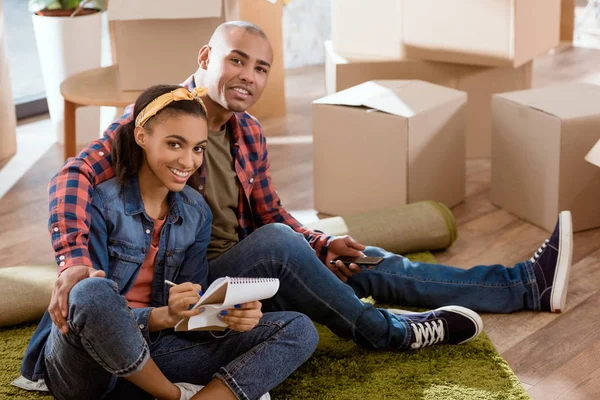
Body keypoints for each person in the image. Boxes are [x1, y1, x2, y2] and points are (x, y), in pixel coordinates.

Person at [23, 20, 573, 376]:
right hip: (186, 275)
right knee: (290, 248)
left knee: (355, 261)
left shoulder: (249, 133)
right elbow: (71, 177)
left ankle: (525, 285)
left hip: (244, 266)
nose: (248, 76)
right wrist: (75, 262)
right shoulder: (161, 117)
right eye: (237, 59)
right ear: (207, 56)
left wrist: (321, 240)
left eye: (261, 68)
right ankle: (388, 334)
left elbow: (267, 213)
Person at [21, 84, 319, 400]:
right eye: (175, 144)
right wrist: (163, 315)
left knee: (298, 330)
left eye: (198, 148)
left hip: (159, 352)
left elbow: (189, 310)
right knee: (91, 291)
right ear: (141, 136)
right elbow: (91, 314)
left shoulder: (195, 212)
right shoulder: (100, 204)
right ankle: (172, 396)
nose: (188, 161)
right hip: (88, 365)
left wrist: (227, 316)